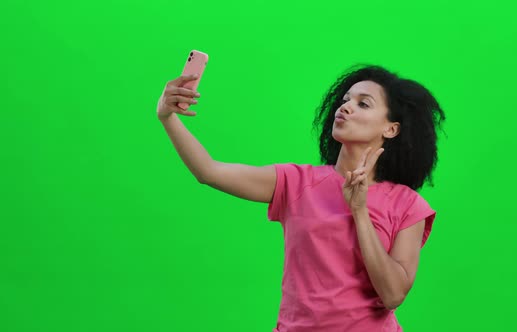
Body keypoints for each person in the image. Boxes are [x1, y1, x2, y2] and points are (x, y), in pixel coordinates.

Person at [156, 64, 446, 332]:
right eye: (346, 100)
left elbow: (393, 294)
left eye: (363, 104)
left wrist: (359, 211)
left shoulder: (407, 205)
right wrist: (167, 117)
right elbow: (209, 171)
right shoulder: (296, 183)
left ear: (390, 129)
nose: (345, 107)